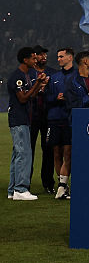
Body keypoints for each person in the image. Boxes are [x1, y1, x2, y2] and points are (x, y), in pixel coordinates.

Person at [8, 47, 46, 200]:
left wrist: (39, 83)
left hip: (24, 118)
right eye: (33, 58)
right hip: (19, 119)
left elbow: (31, 96)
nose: (35, 60)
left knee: (18, 154)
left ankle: (12, 190)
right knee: (24, 154)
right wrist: (37, 84)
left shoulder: (26, 75)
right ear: (25, 60)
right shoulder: (18, 77)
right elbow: (23, 98)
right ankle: (20, 189)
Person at [45, 48, 76, 200]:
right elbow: (46, 98)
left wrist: (68, 99)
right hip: (54, 119)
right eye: (58, 57)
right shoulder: (54, 77)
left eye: (61, 56)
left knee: (68, 153)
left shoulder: (77, 76)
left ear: (70, 58)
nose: (59, 59)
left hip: (69, 119)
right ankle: (62, 186)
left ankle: (63, 185)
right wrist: (56, 98)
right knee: (56, 153)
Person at [30, 45, 56, 194]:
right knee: (29, 151)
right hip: (31, 117)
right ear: (34, 57)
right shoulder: (28, 73)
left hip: (48, 116)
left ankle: (48, 183)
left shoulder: (52, 73)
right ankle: (25, 183)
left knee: (48, 150)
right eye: (40, 54)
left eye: (45, 54)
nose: (43, 57)